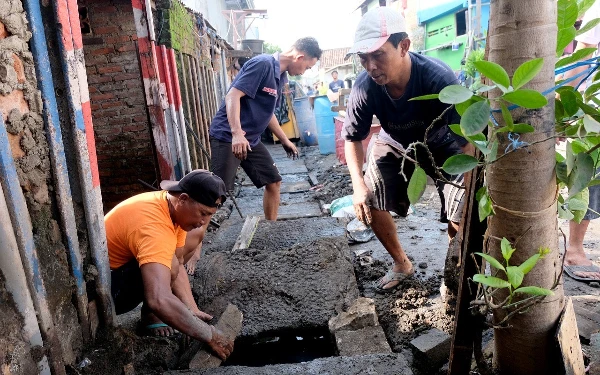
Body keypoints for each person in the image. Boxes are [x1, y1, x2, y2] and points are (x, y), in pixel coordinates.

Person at [342, 7, 472, 293]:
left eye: (378, 55)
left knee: (460, 212)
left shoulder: (438, 78)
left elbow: (467, 141)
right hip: (395, 142)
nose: (371, 66)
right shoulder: (365, 87)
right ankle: (401, 263)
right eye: (364, 58)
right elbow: (352, 137)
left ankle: (454, 277)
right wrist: (357, 185)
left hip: (442, 142)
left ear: (404, 46)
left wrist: (469, 192)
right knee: (369, 197)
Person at [105, 169, 234, 359]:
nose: (203, 221)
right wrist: (209, 335)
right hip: (109, 293)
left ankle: (166, 312)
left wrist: (192, 310)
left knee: (173, 261)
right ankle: (153, 315)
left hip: (120, 274)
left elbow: (178, 264)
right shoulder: (153, 227)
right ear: (183, 199)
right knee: (161, 283)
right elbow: (158, 298)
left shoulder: (171, 209)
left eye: (209, 216)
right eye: (203, 213)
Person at [209, 37, 322, 220]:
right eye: (307, 67)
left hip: (251, 139)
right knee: (215, 194)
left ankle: (270, 229)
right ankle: (188, 245)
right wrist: (237, 133)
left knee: (273, 181)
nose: (304, 72)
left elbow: (268, 113)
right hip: (228, 136)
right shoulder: (263, 64)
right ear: (300, 57)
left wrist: (285, 140)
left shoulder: (281, 76)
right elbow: (232, 96)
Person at [559, 2, 600, 282]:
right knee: (588, 179)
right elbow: (581, 62)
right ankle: (573, 248)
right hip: (594, 113)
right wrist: (560, 111)